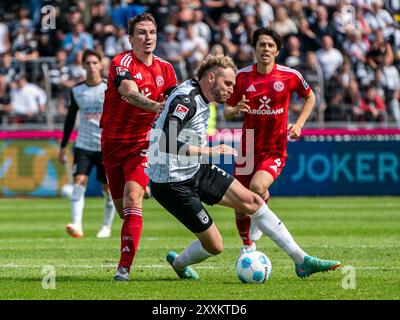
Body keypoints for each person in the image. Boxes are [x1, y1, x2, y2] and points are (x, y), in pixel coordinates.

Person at [146, 54, 340, 280]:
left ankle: (302, 261)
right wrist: (210, 151)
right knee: (215, 246)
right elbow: (166, 141)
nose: (231, 90)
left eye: (233, 85)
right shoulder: (186, 99)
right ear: (210, 77)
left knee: (253, 201)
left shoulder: (202, 98)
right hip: (171, 183)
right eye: (227, 83)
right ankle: (179, 263)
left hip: (195, 168)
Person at [99, 13, 177, 281]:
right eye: (142, 33)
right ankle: (141, 186)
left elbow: (175, 109)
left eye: (152, 32)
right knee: (123, 210)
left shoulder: (166, 69)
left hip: (144, 144)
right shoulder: (120, 62)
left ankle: (123, 268)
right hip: (112, 143)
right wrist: (156, 106)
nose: (148, 38)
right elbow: (129, 93)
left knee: (133, 200)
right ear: (131, 38)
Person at [223, 28, 316, 253]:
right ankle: (247, 246)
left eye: (270, 45)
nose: (266, 49)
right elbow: (226, 112)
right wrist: (235, 109)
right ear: (254, 49)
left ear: (277, 50)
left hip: (274, 147)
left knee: (256, 187)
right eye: (262, 45)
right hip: (247, 147)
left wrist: (299, 124)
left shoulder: (290, 75)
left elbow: (310, 96)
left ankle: (260, 212)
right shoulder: (242, 77)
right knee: (239, 204)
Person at [58, 49, 115, 239]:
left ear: (100, 64)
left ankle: (106, 226)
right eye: (87, 63)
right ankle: (77, 224)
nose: (91, 66)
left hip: (106, 146)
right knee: (78, 181)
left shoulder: (109, 88)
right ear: (83, 66)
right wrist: (62, 147)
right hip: (83, 144)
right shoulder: (77, 90)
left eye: (94, 62)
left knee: (107, 189)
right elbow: (69, 119)